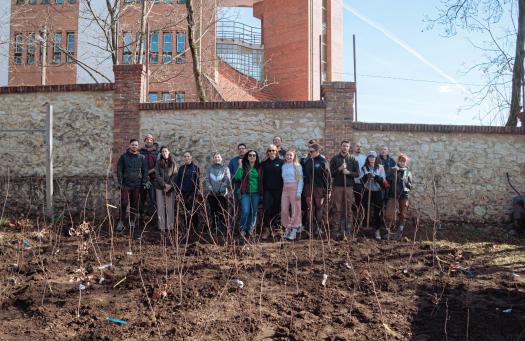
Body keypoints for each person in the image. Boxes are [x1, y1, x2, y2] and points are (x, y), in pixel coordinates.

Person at [116, 139, 148, 232]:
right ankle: (121, 221)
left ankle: (132, 221)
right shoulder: (123, 157)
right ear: (130, 145)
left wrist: (144, 182)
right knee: (124, 202)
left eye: (136, 145)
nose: (134, 146)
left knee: (134, 203)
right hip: (125, 184)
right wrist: (120, 182)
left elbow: (145, 171)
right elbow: (119, 170)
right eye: (133, 145)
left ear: (138, 147)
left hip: (137, 184)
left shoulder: (142, 157)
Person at [330, 140, 360, 238]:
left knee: (348, 208)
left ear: (349, 148)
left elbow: (357, 173)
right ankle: (336, 229)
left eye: (347, 146)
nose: (345, 148)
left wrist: (348, 172)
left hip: (349, 187)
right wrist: (340, 168)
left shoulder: (353, 159)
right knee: (337, 207)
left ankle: (348, 229)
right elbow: (332, 173)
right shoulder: (335, 159)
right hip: (338, 186)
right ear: (340, 146)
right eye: (343, 146)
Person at [302, 143, 331, 236]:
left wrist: (328, 190)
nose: (310, 153)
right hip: (308, 188)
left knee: (319, 207)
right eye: (309, 151)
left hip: (319, 188)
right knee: (310, 208)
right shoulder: (308, 161)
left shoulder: (323, 161)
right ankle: (310, 228)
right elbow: (304, 174)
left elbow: (328, 177)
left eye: (312, 151)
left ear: (317, 151)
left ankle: (319, 228)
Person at [234, 150, 263, 238]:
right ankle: (243, 228)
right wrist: (240, 165)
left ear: (256, 157)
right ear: (247, 157)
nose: (252, 157)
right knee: (246, 211)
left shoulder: (259, 167)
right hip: (245, 193)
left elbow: (262, 180)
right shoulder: (244, 167)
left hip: (256, 193)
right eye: (250, 155)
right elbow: (237, 177)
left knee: (253, 212)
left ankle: (250, 229)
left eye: (254, 155)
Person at [385, 154, 413, 240]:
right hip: (393, 194)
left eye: (404, 161)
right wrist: (394, 172)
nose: (402, 163)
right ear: (398, 161)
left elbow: (410, 187)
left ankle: (399, 232)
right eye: (401, 161)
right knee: (389, 214)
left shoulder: (408, 172)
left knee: (402, 214)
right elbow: (387, 180)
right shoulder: (392, 169)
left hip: (404, 194)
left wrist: (406, 182)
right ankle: (389, 231)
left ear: (406, 162)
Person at [360, 151, 386, 240]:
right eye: (370, 157)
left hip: (377, 191)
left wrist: (376, 177)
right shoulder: (364, 168)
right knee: (366, 210)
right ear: (368, 158)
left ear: (376, 158)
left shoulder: (380, 168)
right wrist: (367, 176)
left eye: (373, 157)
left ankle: (377, 230)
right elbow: (361, 181)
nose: (371, 158)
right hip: (368, 191)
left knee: (377, 212)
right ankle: (366, 228)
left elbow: (384, 182)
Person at [260, 144, 284, 239]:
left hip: (279, 190)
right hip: (267, 191)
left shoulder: (282, 162)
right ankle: (267, 229)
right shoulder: (264, 163)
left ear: (276, 152)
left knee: (276, 209)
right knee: (266, 209)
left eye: (273, 150)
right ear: (267, 152)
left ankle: (275, 229)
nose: (271, 152)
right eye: (270, 150)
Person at [205, 152, 231, 235]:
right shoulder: (209, 168)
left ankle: (223, 229)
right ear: (213, 159)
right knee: (213, 212)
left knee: (222, 212)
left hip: (222, 195)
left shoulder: (225, 168)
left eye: (218, 157)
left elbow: (227, 179)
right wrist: (211, 189)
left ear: (221, 158)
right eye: (215, 157)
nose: (217, 158)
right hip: (212, 195)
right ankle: (214, 228)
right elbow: (207, 179)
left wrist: (221, 189)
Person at [281, 148, 304, 241]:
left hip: (294, 188)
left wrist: (299, 192)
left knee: (295, 209)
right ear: (285, 156)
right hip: (285, 188)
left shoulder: (297, 166)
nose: (289, 156)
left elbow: (301, 180)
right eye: (287, 155)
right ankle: (287, 227)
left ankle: (294, 229)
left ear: (294, 156)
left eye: (291, 155)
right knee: (284, 209)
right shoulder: (284, 166)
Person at [176, 151, 201, 231]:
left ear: (191, 157)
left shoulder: (195, 168)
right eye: (185, 156)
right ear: (183, 158)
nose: (186, 158)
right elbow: (178, 182)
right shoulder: (181, 168)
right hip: (183, 194)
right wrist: (178, 193)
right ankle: (187, 229)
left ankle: (195, 229)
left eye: (188, 156)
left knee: (193, 213)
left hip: (192, 194)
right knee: (184, 213)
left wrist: (194, 194)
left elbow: (197, 182)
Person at [154, 146, 177, 231]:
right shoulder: (158, 162)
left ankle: (170, 227)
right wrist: (164, 185)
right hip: (160, 187)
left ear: (169, 152)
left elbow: (175, 175)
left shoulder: (173, 162)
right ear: (161, 153)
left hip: (170, 188)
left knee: (170, 207)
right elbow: (157, 175)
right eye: (163, 152)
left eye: (166, 151)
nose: (164, 153)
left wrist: (169, 185)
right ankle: (162, 227)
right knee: (160, 207)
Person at [140, 134, 159, 215]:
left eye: (151, 139)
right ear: (145, 140)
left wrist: (149, 172)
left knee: (153, 199)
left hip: (153, 179)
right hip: (143, 179)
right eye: (147, 139)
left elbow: (158, 166)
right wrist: (144, 174)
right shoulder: (141, 151)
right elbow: (138, 164)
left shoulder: (157, 152)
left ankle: (154, 219)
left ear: (153, 141)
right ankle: (141, 218)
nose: (149, 140)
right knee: (141, 199)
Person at [352, 142, 367, 223]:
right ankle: (352, 219)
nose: (359, 148)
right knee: (350, 202)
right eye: (357, 146)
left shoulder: (364, 158)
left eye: (360, 146)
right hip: (350, 183)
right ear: (353, 147)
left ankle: (359, 220)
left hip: (360, 183)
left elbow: (366, 170)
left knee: (359, 202)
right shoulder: (350, 157)